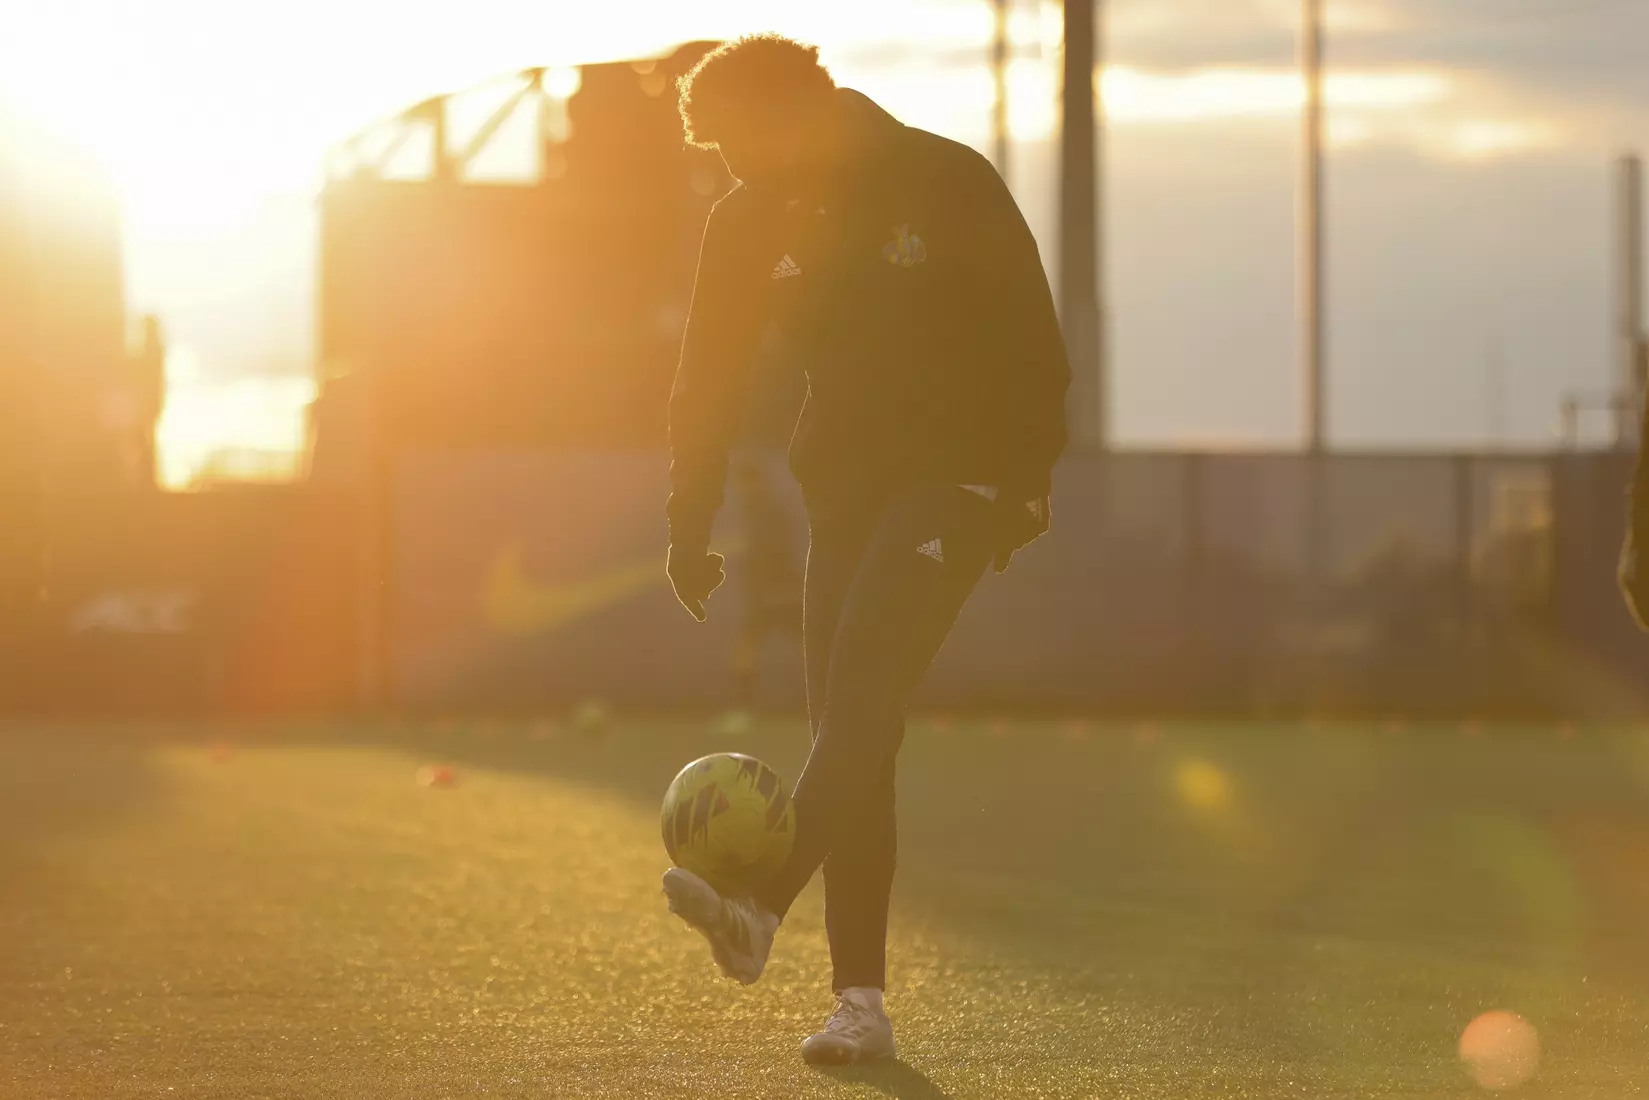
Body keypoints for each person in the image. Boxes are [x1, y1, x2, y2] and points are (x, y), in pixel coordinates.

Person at [661, 34, 1069, 1066]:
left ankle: (755, 905)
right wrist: (687, 517)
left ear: (795, 110)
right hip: (842, 492)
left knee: (856, 709)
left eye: (734, 139)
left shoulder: (940, 177)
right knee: (858, 740)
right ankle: (861, 1005)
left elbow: (1030, 326)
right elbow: (704, 374)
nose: (727, 164)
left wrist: (1025, 474)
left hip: (959, 480)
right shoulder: (745, 216)